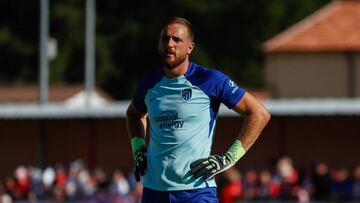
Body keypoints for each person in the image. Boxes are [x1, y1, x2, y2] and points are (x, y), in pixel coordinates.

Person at [126, 17, 270, 203]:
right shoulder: (148, 83)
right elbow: (134, 114)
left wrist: (228, 158)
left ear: (190, 47)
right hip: (154, 192)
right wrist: (138, 149)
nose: (170, 44)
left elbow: (259, 114)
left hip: (196, 192)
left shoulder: (210, 79)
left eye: (177, 39)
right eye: (165, 38)